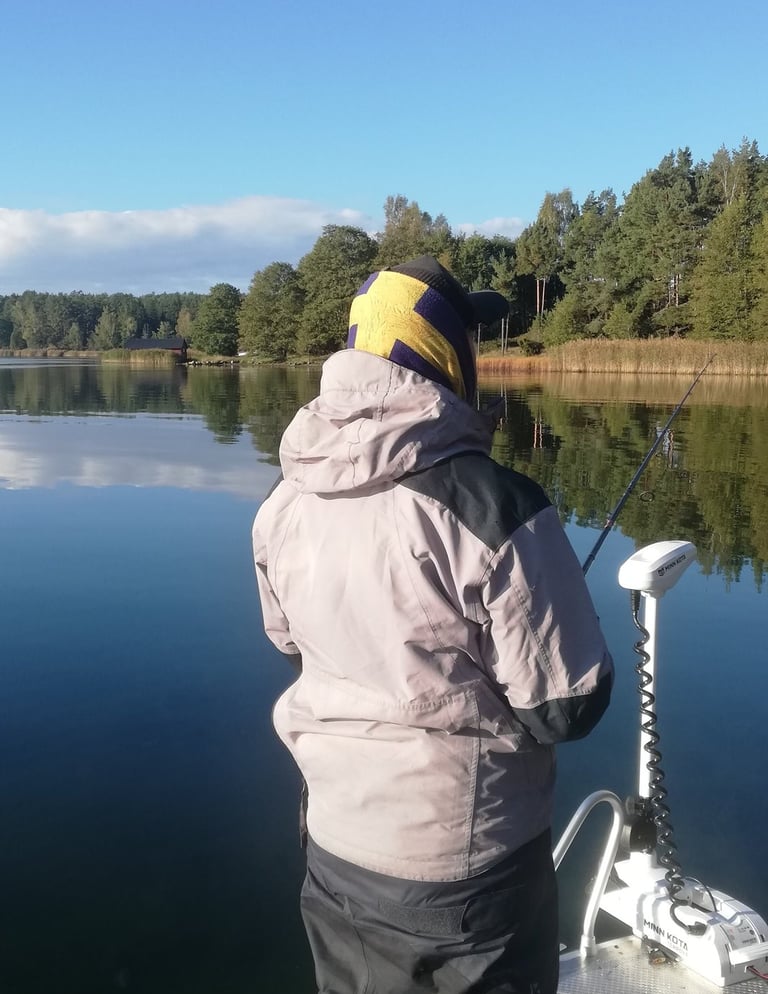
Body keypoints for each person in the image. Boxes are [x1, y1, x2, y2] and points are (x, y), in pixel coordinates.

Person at [252, 255, 614, 994]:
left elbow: (290, 644)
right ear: (445, 354)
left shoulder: (283, 502)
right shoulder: (496, 507)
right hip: (468, 875)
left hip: (335, 847)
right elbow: (566, 707)